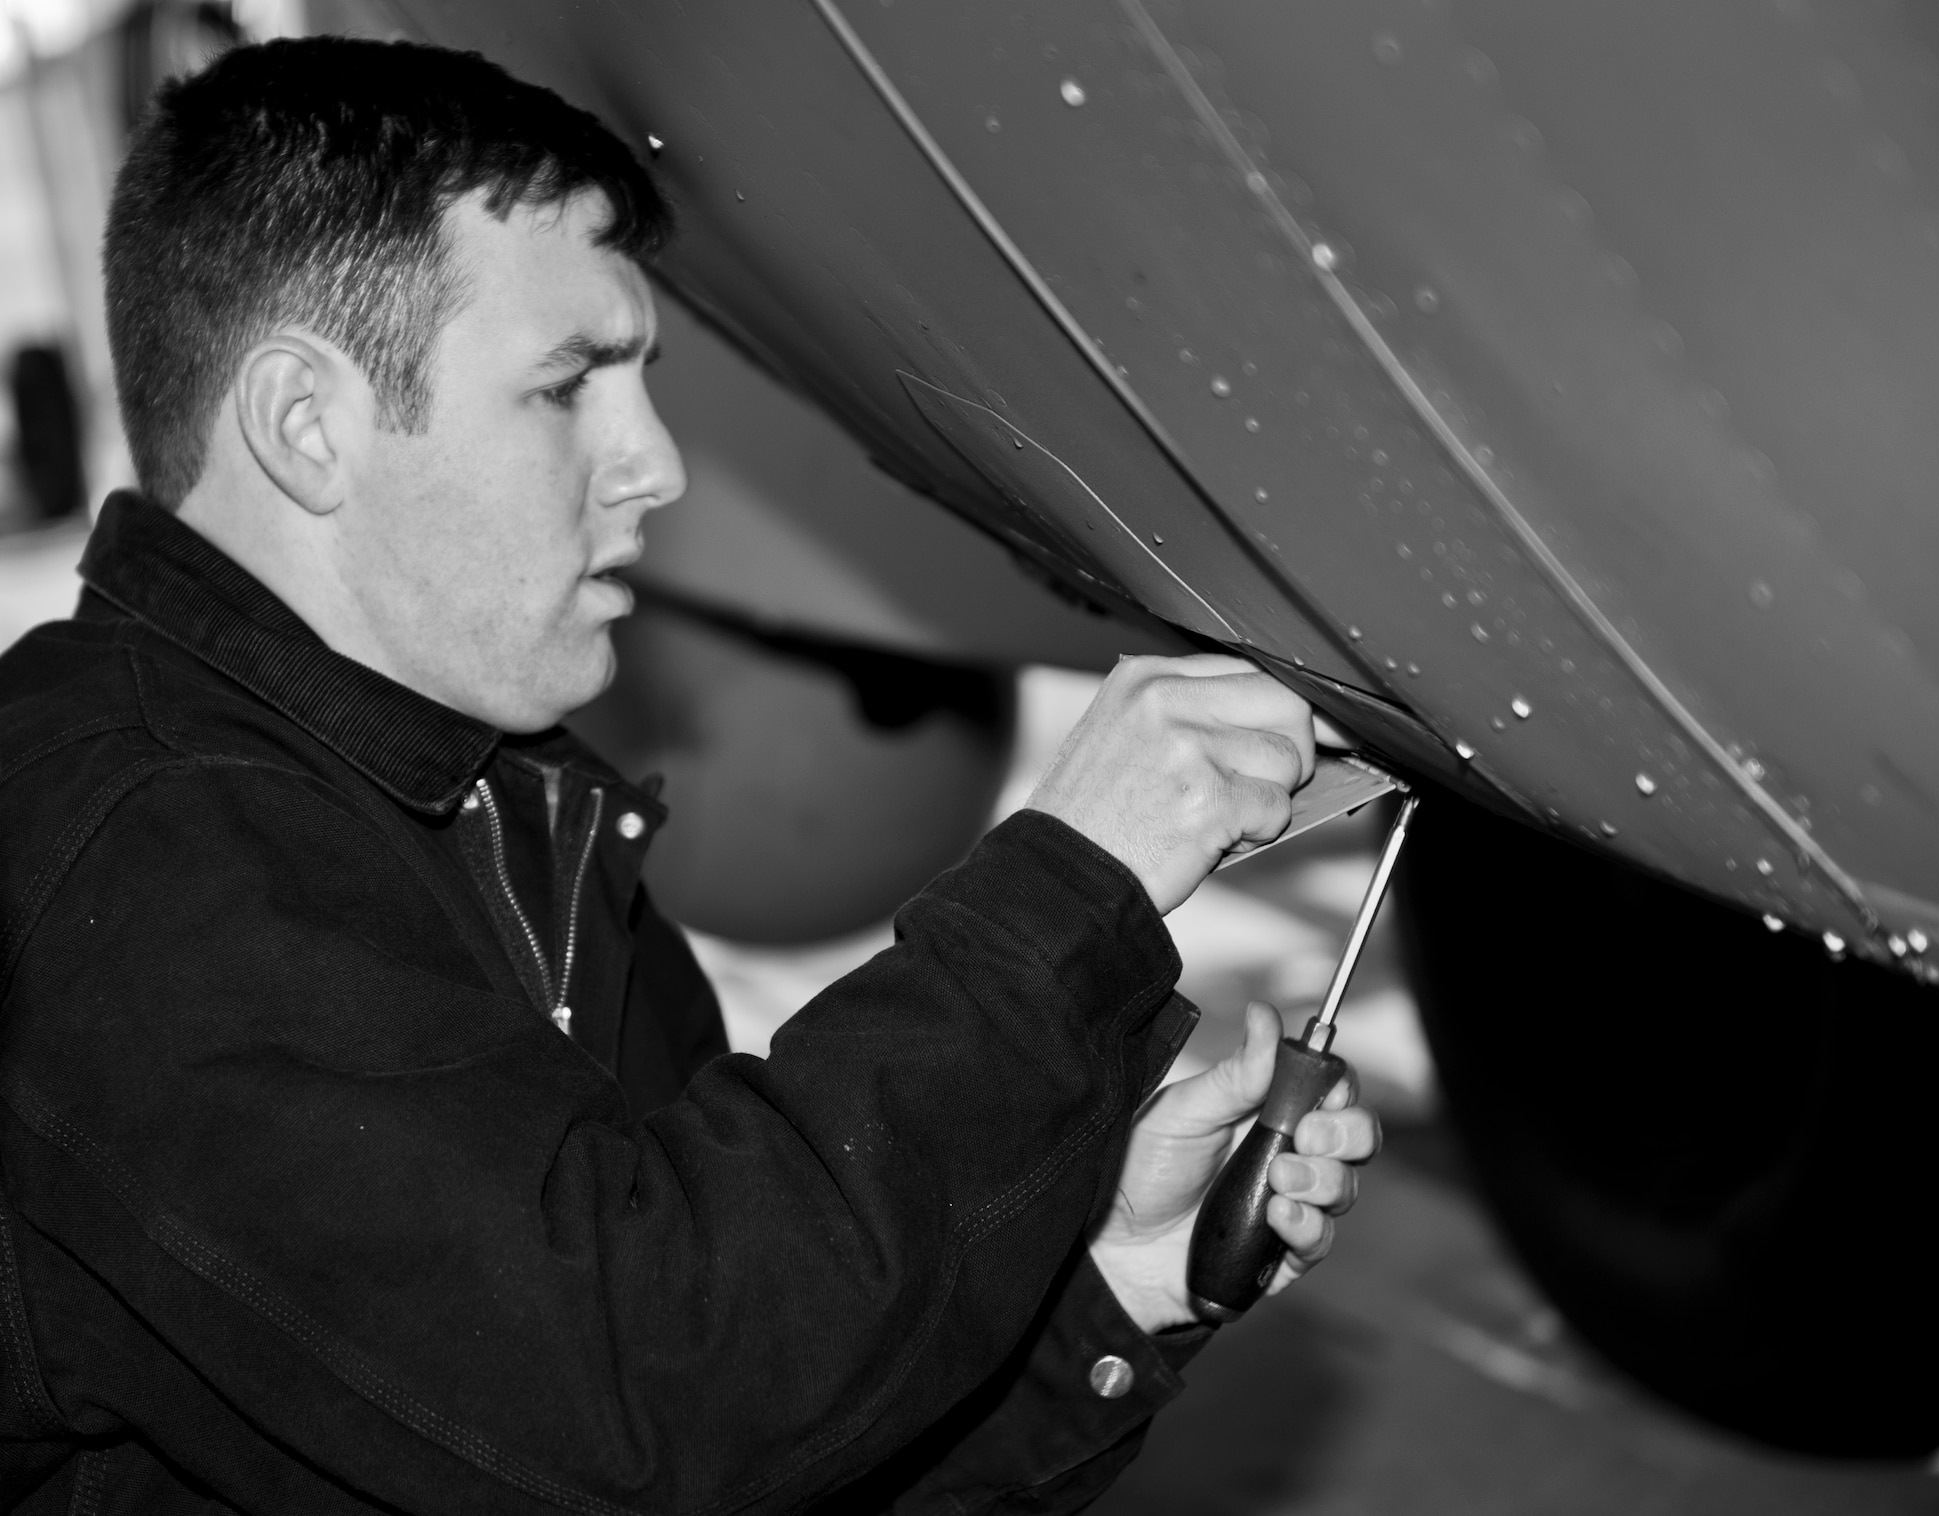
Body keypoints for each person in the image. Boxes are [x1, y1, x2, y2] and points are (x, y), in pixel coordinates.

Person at [0, 36, 1377, 1513]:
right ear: (306, 425)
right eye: (568, 386)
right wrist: (1065, 888)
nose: (655, 464)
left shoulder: (513, 814)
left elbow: (739, 1433)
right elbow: (636, 1406)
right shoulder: (128, 856)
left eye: (642, 382)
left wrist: (1105, 1287)